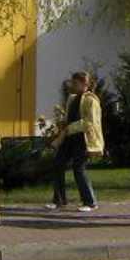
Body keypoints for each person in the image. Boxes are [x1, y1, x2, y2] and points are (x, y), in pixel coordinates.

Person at [47, 70, 103, 212]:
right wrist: (62, 124)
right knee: (58, 164)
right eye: (72, 82)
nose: (73, 85)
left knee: (79, 168)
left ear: (85, 84)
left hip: (82, 139)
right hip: (69, 138)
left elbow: (90, 122)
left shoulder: (91, 100)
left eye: (76, 83)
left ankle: (90, 202)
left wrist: (70, 127)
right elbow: (69, 117)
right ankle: (59, 200)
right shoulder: (72, 99)